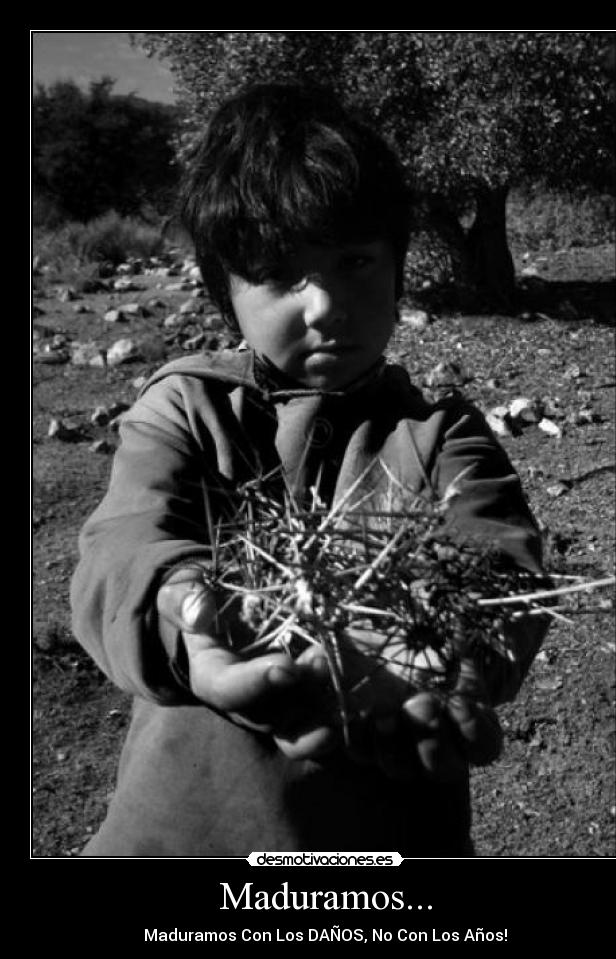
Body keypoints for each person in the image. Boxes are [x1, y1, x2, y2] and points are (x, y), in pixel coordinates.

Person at [71, 82, 549, 857]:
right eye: (281, 275)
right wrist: (187, 612)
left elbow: (498, 558)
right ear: (223, 292)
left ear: (398, 266)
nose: (326, 303)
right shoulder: (187, 408)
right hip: (177, 835)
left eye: (355, 260)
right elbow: (124, 542)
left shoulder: (440, 433)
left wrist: (457, 645)